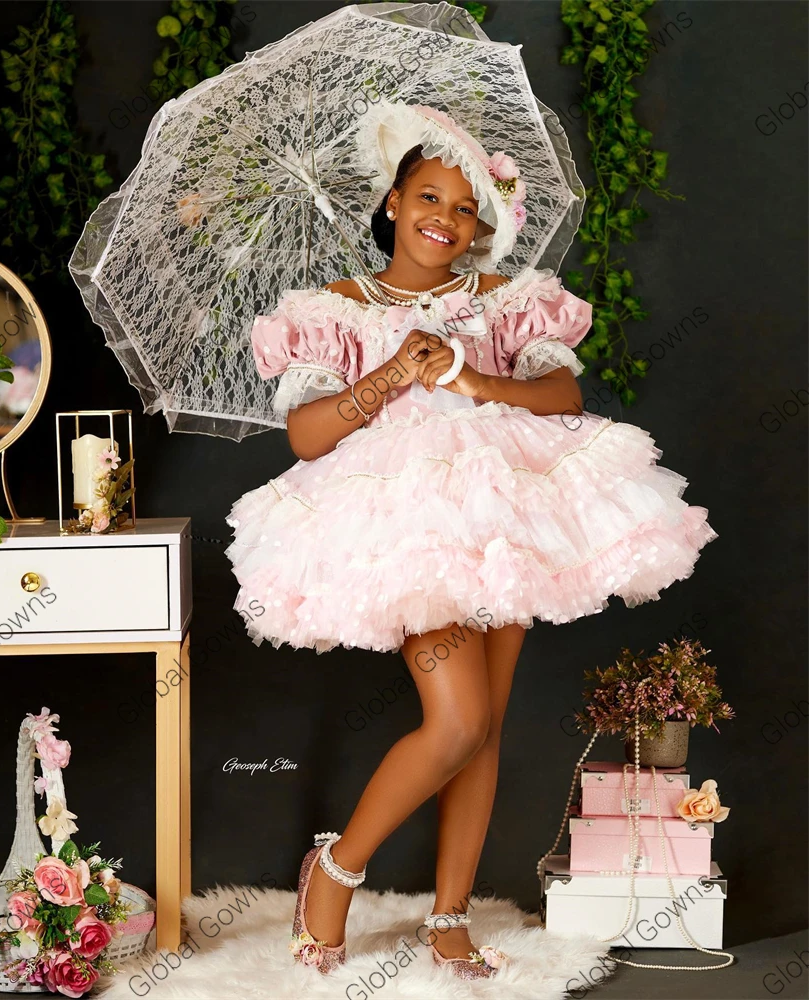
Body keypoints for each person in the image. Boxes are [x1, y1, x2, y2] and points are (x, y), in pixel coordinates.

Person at [225, 100, 717, 979]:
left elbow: (561, 403)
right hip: (410, 524)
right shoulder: (334, 310)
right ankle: (334, 870)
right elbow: (305, 436)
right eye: (427, 198)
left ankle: (449, 916)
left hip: (505, 513)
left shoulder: (504, 302)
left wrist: (460, 370)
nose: (444, 220)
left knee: (482, 727)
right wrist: (389, 374)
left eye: (463, 208)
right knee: (451, 720)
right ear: (391, 203)